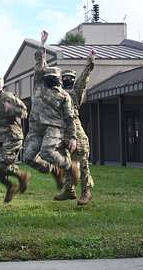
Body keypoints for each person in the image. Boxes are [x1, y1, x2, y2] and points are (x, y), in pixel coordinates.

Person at [23, 31, 80, 199]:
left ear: (59, 80)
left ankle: (70, 166)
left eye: (53, 77)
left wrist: (72, 138)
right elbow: (40, 62)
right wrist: (42, 45)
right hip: (36, 127)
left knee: (47, 152)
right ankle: (54, 169)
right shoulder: (39, 85)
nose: (49, 79)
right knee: (28, 157)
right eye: (47, 76)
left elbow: (69, 118)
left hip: (54, 128)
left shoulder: (64, 96)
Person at [0, 75, 31, 203]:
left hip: (12, 137)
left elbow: (24, 112)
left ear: (1, 86)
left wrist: (12, 109)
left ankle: (22, 176)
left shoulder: (8, 97)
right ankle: (11, 185)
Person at [61, 50, 96, 205]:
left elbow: (83, 79)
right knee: (66, 163)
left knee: (82, 163)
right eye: (65, 78)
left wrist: (90, 62)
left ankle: (86, 191)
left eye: (70, 78)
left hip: (76, 132)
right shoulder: (59, 93)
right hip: (63, 132)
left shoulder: (75, 92)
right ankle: (69, 190)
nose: (67, 80)